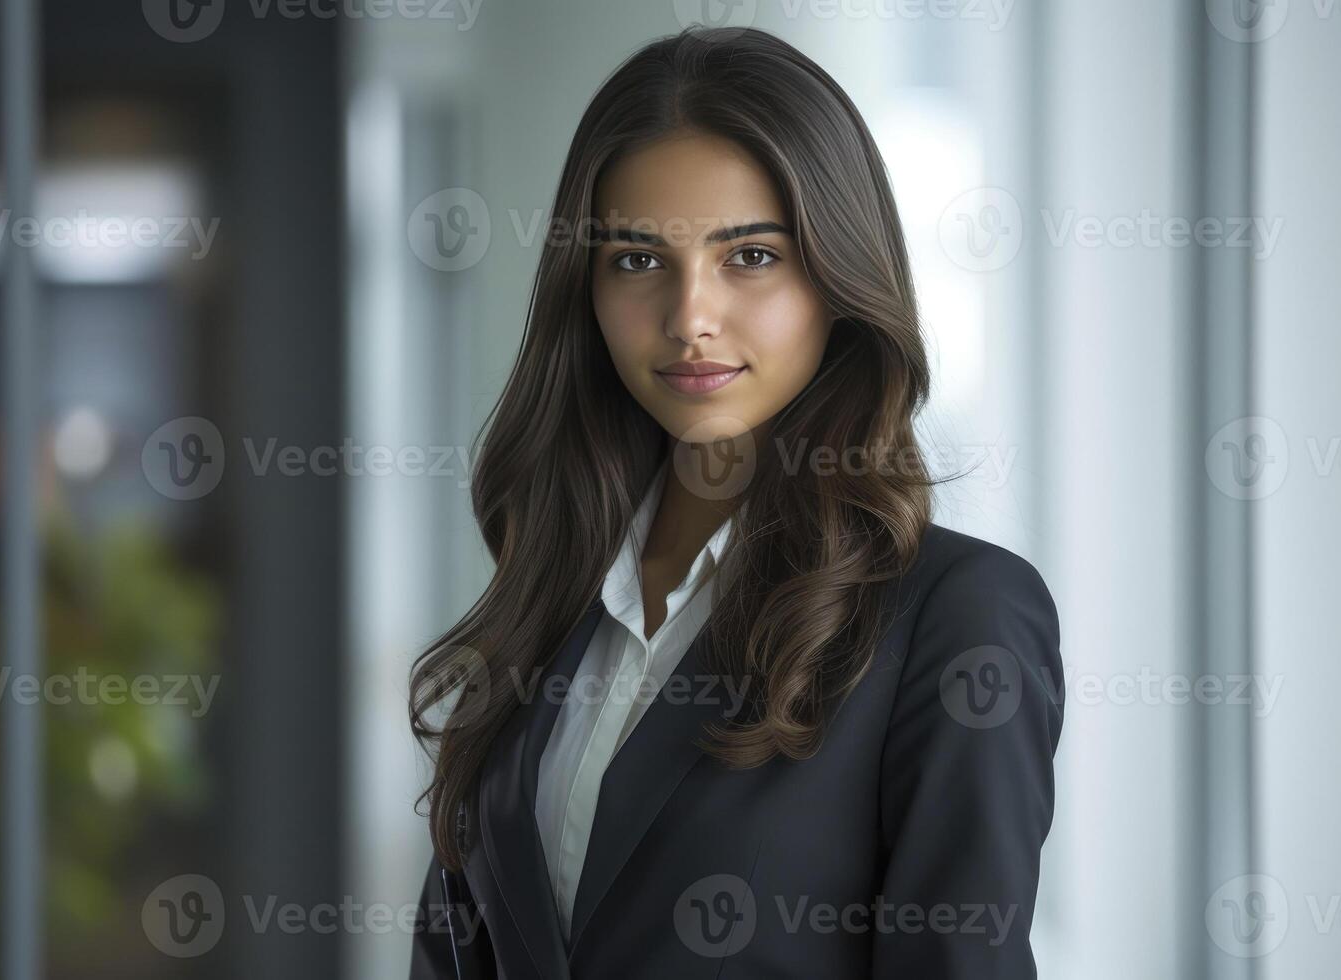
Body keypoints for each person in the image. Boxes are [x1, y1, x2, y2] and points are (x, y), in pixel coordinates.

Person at [407, 25, 1063, 979]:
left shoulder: (957, 618)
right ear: (582, 289)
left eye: (749, 257)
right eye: (637, 259)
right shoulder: (548, 604)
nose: (689, 318)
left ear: (839, 279)